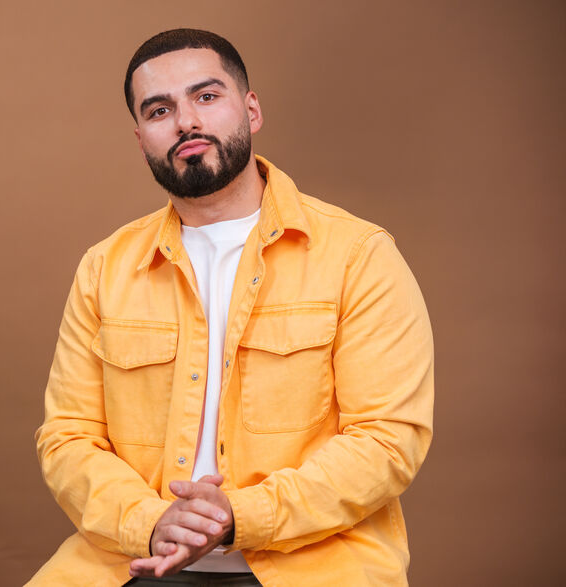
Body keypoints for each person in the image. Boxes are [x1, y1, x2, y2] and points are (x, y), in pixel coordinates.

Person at [29, 29, 433, 587]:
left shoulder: (358, 256)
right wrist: (151, 522)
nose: (186, 121)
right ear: (141, 136)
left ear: (251, 109)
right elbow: (68, 437)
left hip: (314, 565)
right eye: (159, 109)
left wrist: (238, 518)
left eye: (207, 97)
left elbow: (388, 439)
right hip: (132, 560)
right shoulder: (105, 267)